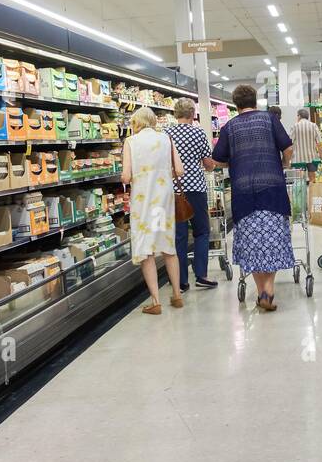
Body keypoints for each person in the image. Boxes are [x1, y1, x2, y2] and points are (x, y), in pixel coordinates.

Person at [207, 84, 294, 311]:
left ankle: (261, 290)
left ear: (235, 105)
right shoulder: (269, 119)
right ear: (255, 100)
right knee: (274, 239)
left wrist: (234, 162)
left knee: (251, 243)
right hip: (272, 188)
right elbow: (288, 147)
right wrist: (284, 164)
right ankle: (269, 288)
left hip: (243, 193)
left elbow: (217, 159)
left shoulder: (229, 127)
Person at [122, 106, 185, 314]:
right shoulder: (166, 139)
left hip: (142, 201)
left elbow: (125, 175)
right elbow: (180, 170)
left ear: (136, 123)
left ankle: (156, 301)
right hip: (163, 199)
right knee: (168, 245)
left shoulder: (131, 142)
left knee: (145, 248)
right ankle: (176, 295)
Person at [164, 98, 217, 292]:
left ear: (175, 113)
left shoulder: (166, 133)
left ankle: (181, 281)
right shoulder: (198, 133)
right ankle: (201, 275)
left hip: (173, 191)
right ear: (192, 114)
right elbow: (208, 163)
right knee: (201, 232)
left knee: (179, 236)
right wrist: (210, 167)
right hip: (196, 189)